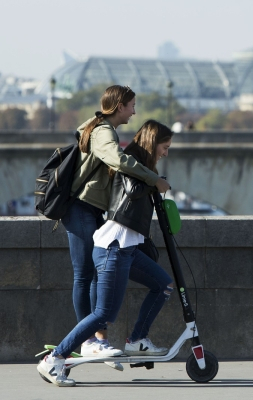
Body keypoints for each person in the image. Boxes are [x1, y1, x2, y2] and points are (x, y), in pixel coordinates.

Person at [38, 120, 175, 387]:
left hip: (127, 248)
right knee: (103, 313)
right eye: (165, 147)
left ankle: (137, 340)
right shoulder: (132, 166)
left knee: (164, 286)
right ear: (152, 142)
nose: (166, 152)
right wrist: (154, 183)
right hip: (113, 248)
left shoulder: (142, 168)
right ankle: (54, 359)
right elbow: (131, 190)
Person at [59, 86, 170, 362]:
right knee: (84, 274)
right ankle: (88, 342)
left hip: (93, 209)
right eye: (132, 105)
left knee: (94, 274)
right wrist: (152, 178)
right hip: (81, 207)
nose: (134, 111)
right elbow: (117, 159)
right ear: (119, 105)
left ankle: (97, 340)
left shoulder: (104, 129)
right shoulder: (103, 130)